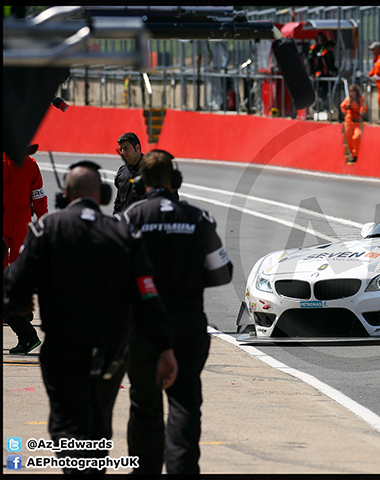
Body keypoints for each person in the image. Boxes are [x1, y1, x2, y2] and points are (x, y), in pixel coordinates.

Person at [3, 160, 178, 474]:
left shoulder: (46, 229)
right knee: (98, 428)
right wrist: (164, 347)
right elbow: (149, 296)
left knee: (69, 429)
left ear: (65, 195)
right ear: (105, 194)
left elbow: (14, 289)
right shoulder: (124, 232)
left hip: (63, 349)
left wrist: (19, 306)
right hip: (112, 351)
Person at [120, 150, 233, 474]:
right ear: (175, 180)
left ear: (141, 183)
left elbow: (111, 273)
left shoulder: (129, 219)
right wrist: (189, 278)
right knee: (184, 405)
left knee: (144, 406)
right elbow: (222, 272)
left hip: (142, 326)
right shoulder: (199, 217)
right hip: (188, 324)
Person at [2, 145, 48, 354]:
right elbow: (39, 196)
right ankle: (23, 310)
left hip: (5, 224)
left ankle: (12, 313)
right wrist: (42, 220)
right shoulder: (31, 164)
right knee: (20, 271)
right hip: (22, 223)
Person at [341, 84, 367, 164]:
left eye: (354, 91)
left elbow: (363, 107)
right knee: (349, 139)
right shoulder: (348, 99)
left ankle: (356, 154)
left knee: (357, 137)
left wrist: (361, 112)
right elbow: (342, 106)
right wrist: (346, 110)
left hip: (357, 121)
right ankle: (352, 155)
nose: (352, 92)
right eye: (351, 91)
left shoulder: (361, 99)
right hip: (349, 121)